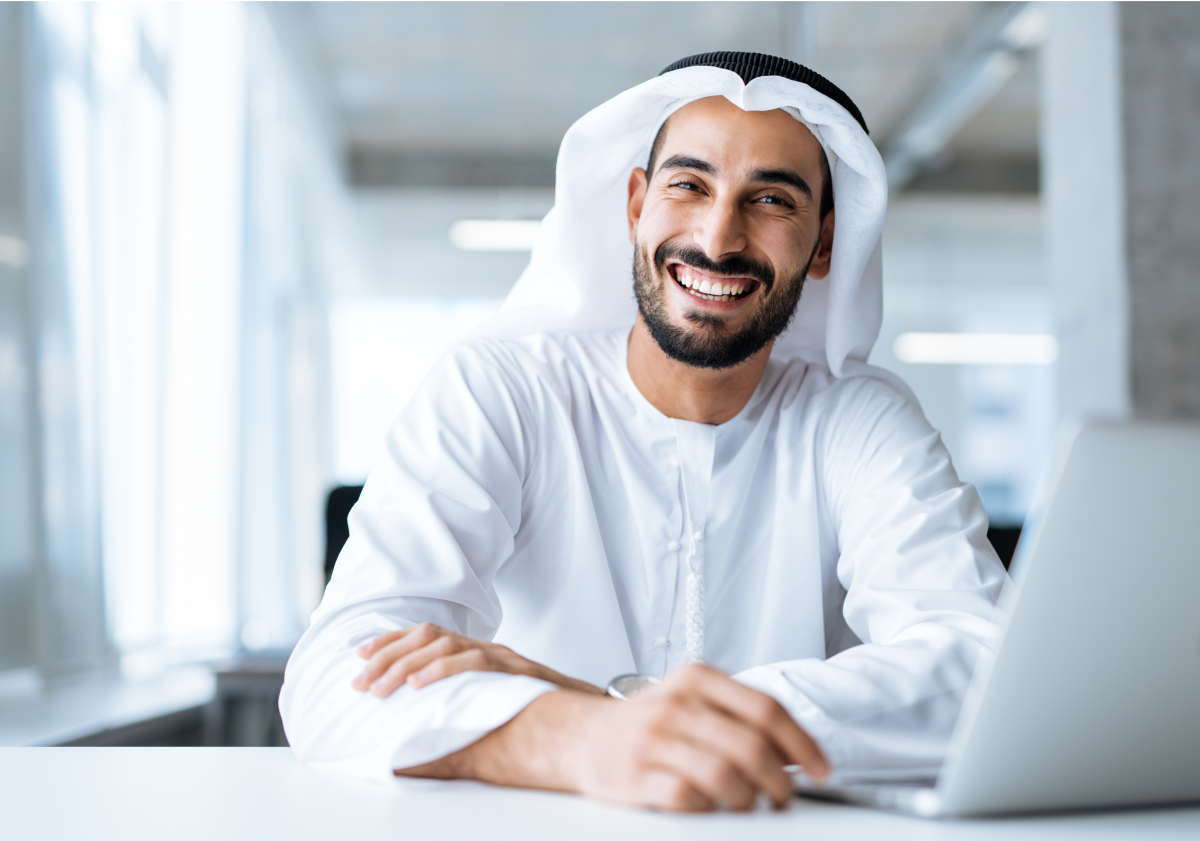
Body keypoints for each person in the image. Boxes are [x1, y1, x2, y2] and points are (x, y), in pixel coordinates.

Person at [280, 52, 1006, 813]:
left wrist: (623, 706)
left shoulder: (860, 421)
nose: (719, 238)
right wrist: (582, 737)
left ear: (824, 244)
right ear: (635, 205)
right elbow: (337, 678)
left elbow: (982, 664)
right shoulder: (501, 388)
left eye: (772, 200)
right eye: (689, 184)